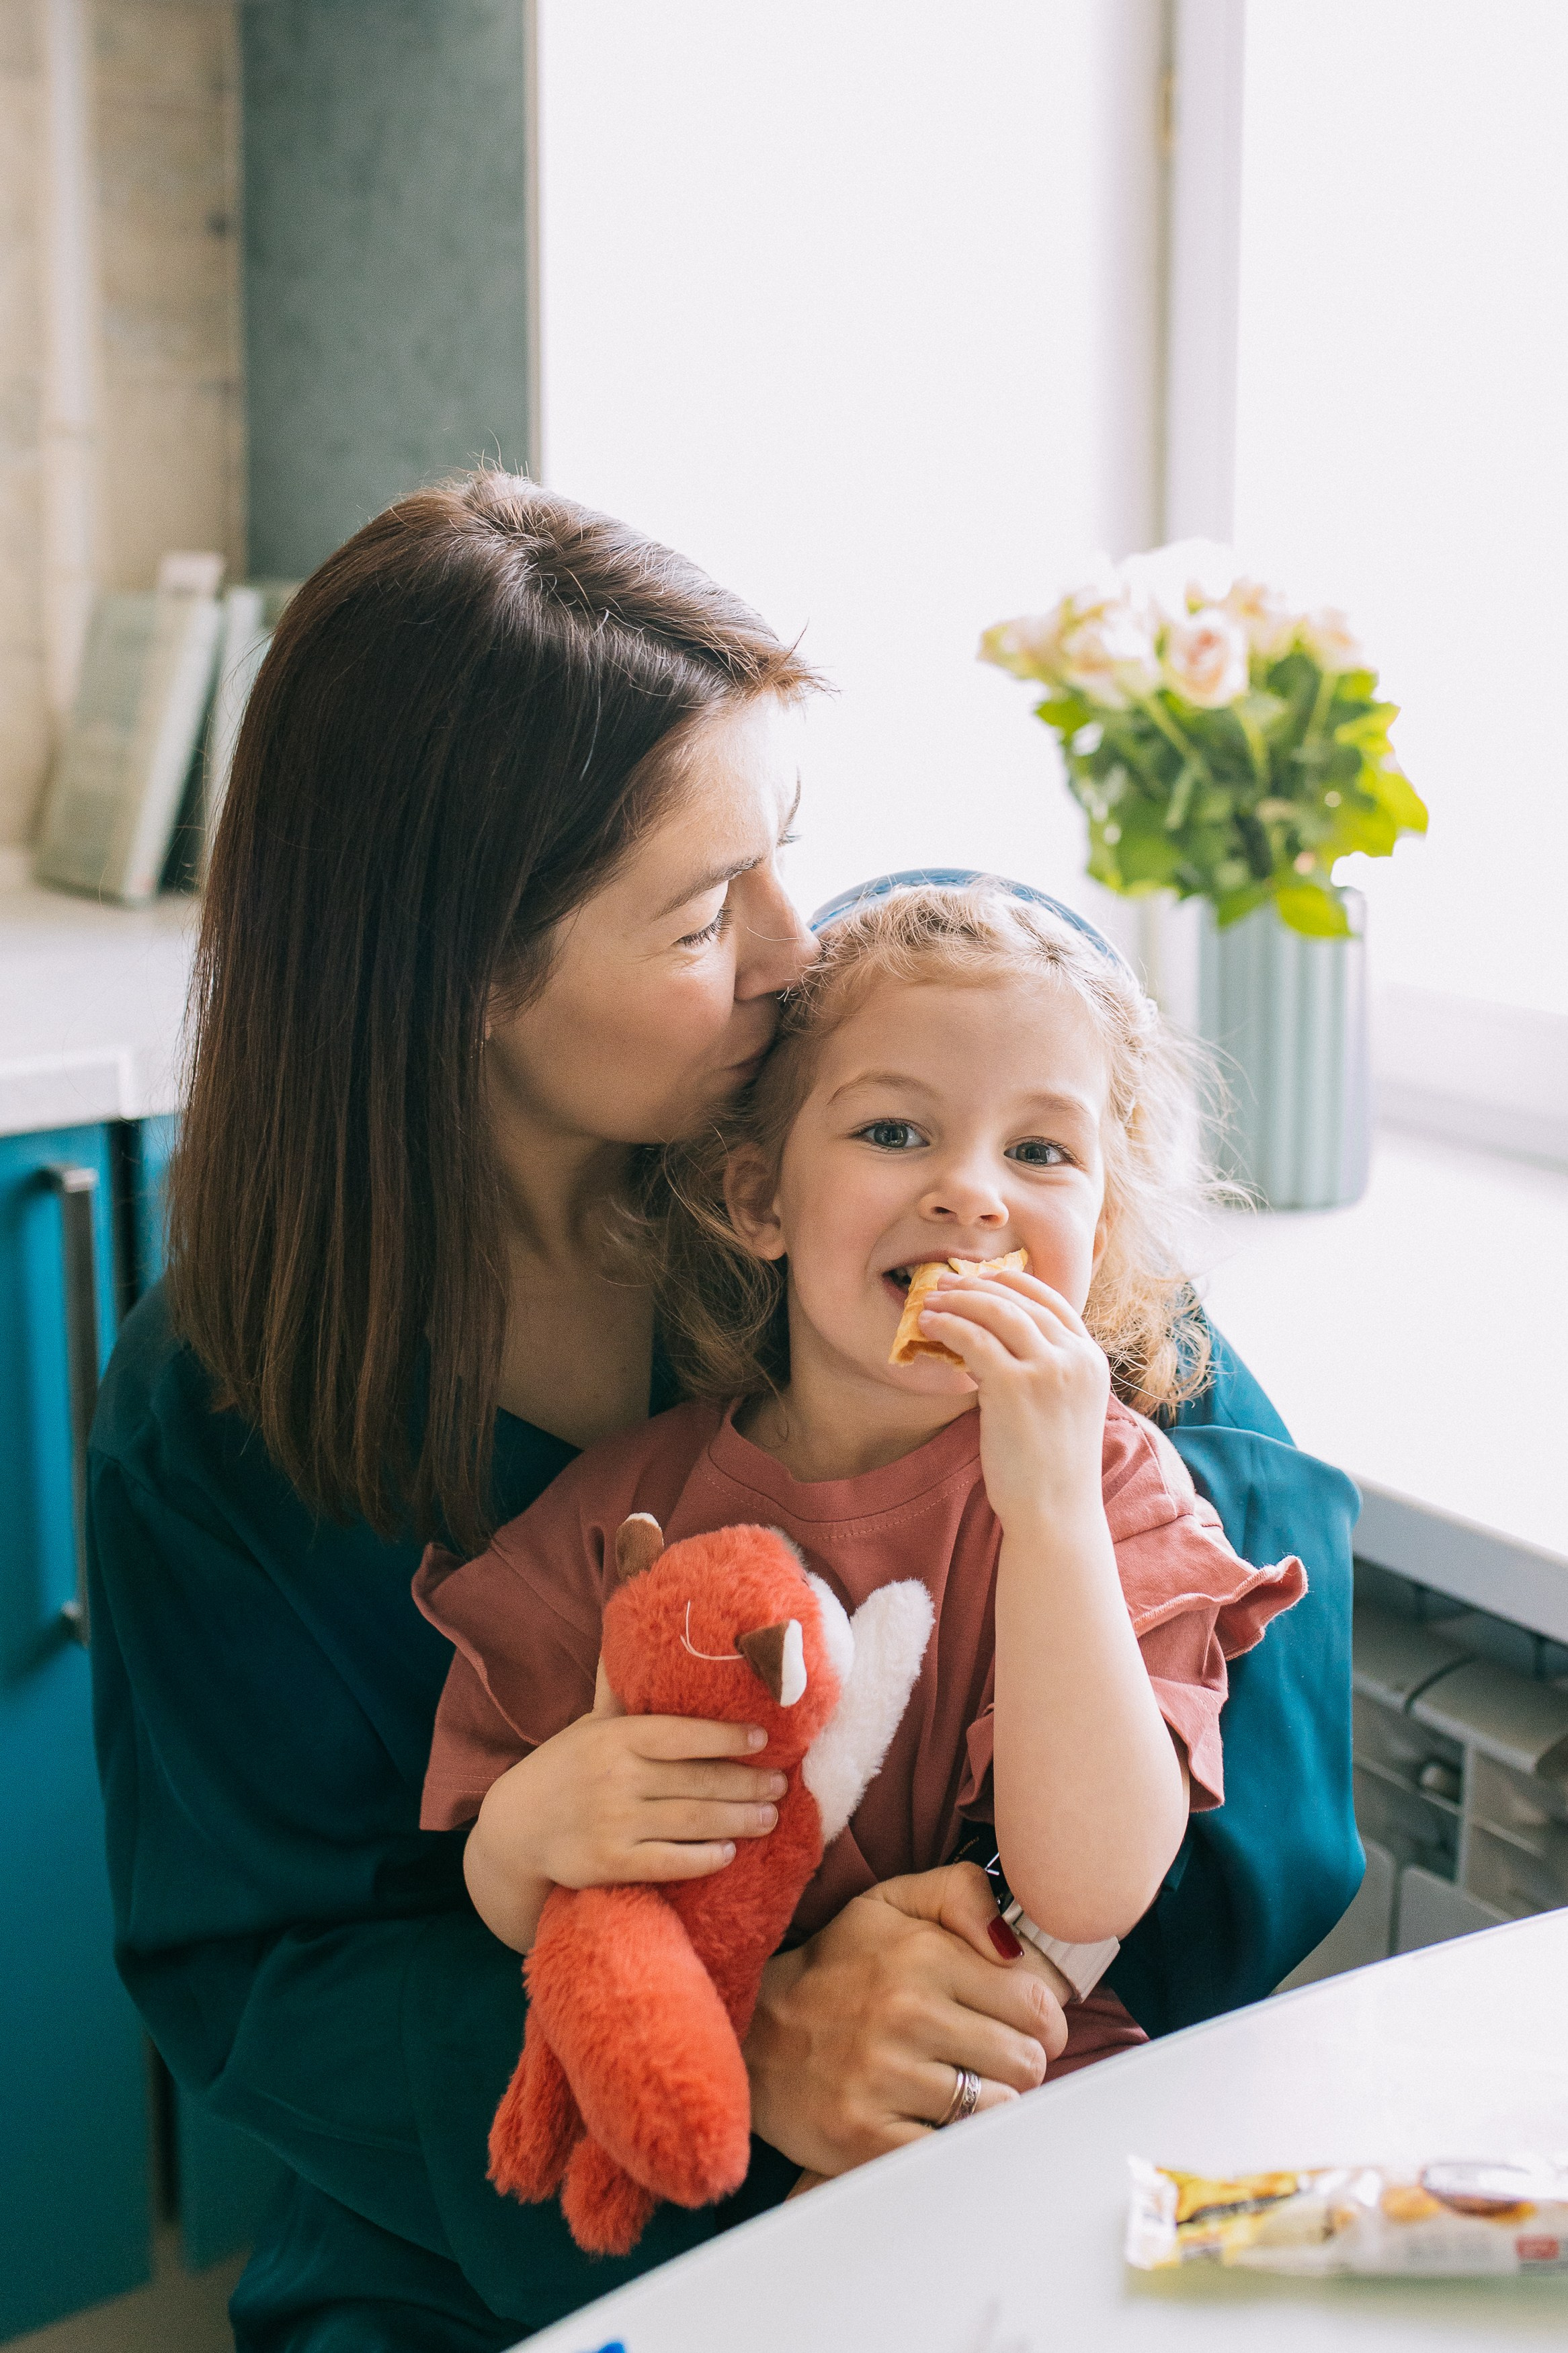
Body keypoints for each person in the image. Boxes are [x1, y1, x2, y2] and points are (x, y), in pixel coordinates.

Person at [87, 477, 1361, 2352]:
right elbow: (264, 1971)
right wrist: (731, 2038)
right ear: (466, 986)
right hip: (504, 2217)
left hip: (1007, 2129)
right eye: (701, 914)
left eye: (783, 846)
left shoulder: (900, 1110)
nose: (792, 947)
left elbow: (1242, 1646)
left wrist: (968, 1979)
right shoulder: (221, 1405)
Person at [414, 879, 1309, 2200]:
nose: (971, 1195)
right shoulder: (621, 1516)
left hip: (1028, 2141)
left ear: (1103, 1238)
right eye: (897, 1130)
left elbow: (1091, 1886)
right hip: (722, 2183)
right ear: (759, 1198)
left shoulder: (1112, 1491)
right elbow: (522, 1908)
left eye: (1042, 1154)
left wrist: (1052, 1513)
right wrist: (515, 1843)